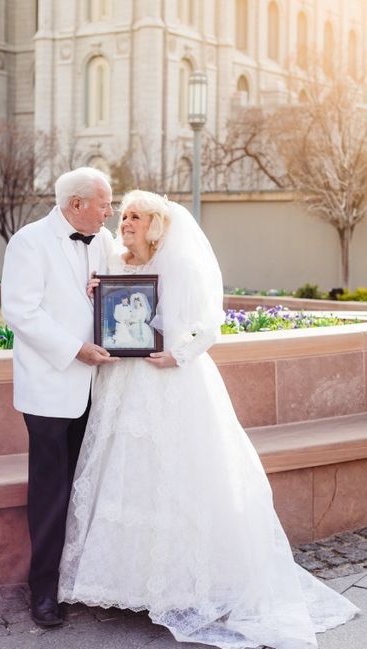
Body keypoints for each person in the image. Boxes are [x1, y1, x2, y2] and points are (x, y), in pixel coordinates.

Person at [58, 190, 359, 648]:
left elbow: (209, 322)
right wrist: (96, 296)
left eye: (136, 216)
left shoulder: (180, 264)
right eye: (125, 216)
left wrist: (178, 353)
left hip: (171, 382)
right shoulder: (116, 263)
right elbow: (110, 318)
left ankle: (178, 585)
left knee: (177, 477)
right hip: (124, 386)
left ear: (157, 224)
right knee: (128, 475)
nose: (127, 222)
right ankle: (130, 585)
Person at [1, 167, 118, 627]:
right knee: (51, 493)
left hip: (98, 388)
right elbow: (20, 311)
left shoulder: (104, 241)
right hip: (49, 389)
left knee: (90, 487)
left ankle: (83, 581)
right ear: (76, 204)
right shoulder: (29, 242)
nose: (110, 211)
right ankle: (44, 592)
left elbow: (117, 295)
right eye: (104, 203)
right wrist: (75, 350)